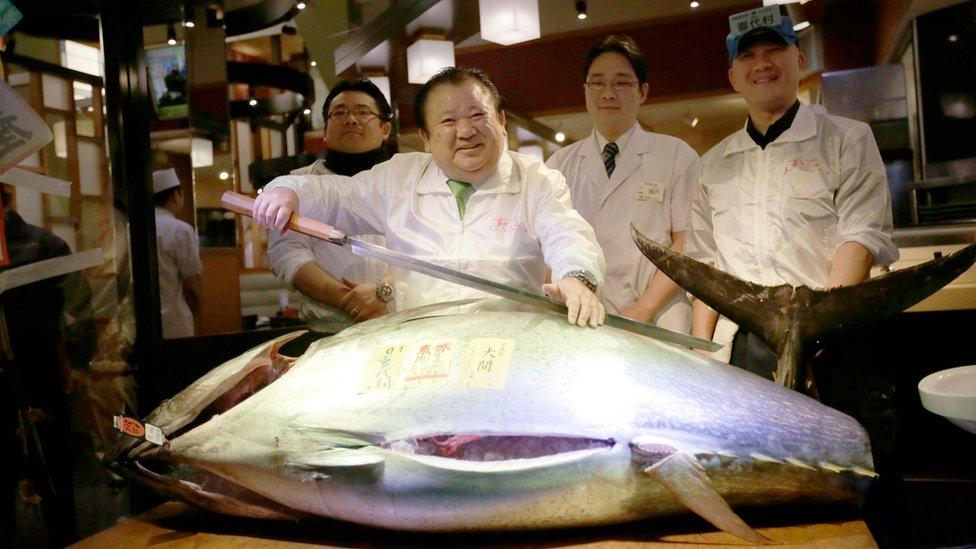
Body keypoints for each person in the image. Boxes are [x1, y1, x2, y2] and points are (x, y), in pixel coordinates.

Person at [253, 67, 606, 327]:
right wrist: (286, 191)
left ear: (501, 121)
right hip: (421, 345)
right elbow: (336, 195)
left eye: (477, 115)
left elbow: (567, 233)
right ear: (425, 136)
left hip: (508, 343)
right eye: (448, 121)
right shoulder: (400, 177)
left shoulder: (536, 179)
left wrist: (576, 278)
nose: (466, 131)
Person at [684, 5, 898, 375]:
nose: (761, 63)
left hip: (827, 341)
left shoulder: (847, 140)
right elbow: (704, 263)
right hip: (739, 346)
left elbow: (860, 237)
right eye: (747, 55)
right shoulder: (712, 165)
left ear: (798, 60)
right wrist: (702, 349)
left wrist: (817, 332)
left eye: (774, 50)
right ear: (733, 76)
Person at [546, 35, 698, 333]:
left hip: (659, 318)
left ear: (643, 91)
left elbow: (686, 243)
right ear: (585, 90)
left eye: (621, 82)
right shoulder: (559, 165)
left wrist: (643, 310)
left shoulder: (676, 155)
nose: (608, 93)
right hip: (582, 316)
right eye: (598, 83)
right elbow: (549, 245)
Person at [1, 184, 95, 547]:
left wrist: (78, 362)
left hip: (40, 369)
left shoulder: (45, 246)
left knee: (54, 467)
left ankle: (66, 539)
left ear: (6, 198)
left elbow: (77, 308)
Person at [268, 79, 395, 330]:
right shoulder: (297, 185)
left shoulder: (408, 179)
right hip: (329, 328)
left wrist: (385, 291)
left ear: (385, 129)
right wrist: (349, 300)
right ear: (325, 130)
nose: (350, 119)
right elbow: (288, 254)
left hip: (404, 323)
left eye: (363, 111)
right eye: (339, 112)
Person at [152, 168, 202, 339]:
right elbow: (191, 283)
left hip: (141, 323)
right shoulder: (180, 229)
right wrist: (198, 314)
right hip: (175, 321)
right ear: (175, 196)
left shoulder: (131, 228)